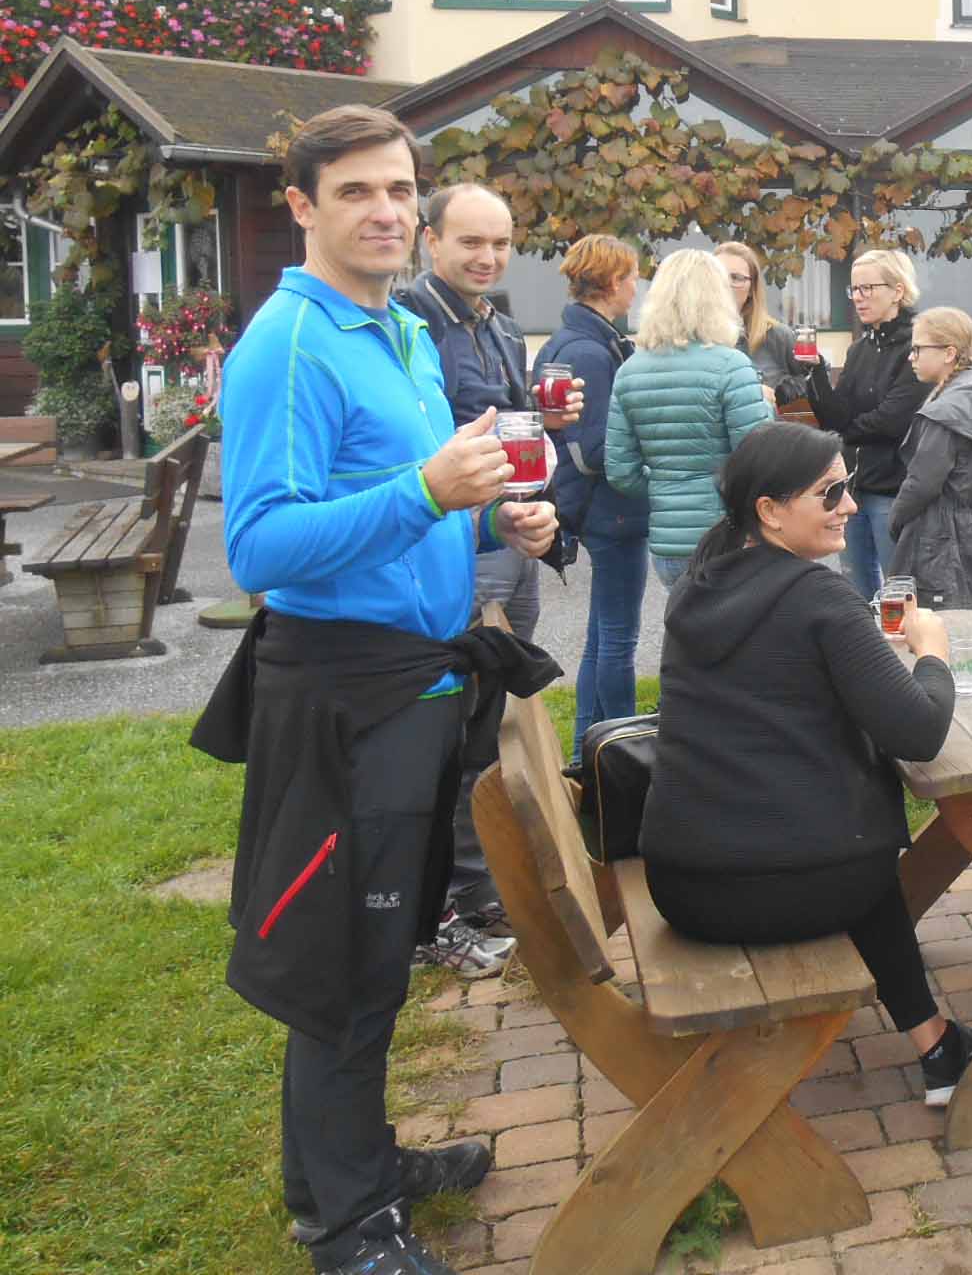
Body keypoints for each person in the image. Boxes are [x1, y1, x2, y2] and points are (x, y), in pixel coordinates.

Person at [196, 105, 561, 1275]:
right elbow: (259, 549)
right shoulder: (289, 343)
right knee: (342, 962)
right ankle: (350, 1230)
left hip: (415, 682)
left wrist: (492, 519)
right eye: (355, 190)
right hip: (343, 695)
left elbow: (410, 504)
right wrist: (426, 491)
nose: (386, 211)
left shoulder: (397, 328)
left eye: (400, 189)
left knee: (383, 944)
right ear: (301, 205)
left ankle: (350, 1168)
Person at [638, 422, 972, 1105]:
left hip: (679, 882)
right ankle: (939, 1050)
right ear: (769, 512)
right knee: (862, 857)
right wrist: (933, 650)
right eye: (829, 493)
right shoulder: (818, 596)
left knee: (853, 846)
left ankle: (938, 1047)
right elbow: (919, 731)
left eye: (847, 488)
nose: (849, 506)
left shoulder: (696, 587)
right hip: (775, 890)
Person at [397, 181, 579, 957]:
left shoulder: (499, 325)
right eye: (471, 241)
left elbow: (506, 424)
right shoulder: (409, 323)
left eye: (500, 243)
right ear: (431, 240)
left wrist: (547, 421)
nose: (488, 256)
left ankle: (479, 880)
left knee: (494, 722)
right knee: (455, 721)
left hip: (512, 533)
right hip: (453, 545)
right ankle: (448, 898)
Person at [606, 250, 771, 588]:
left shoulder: (629, 372)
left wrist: (668, 486)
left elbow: (621, 471)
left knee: (685, 620)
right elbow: (759, 461)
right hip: (729, 537)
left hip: (667, 544)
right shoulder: (731, 366)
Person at [546, 234, 648, 749]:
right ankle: (623, 748)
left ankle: (588, 749)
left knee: (601, 637)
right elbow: (592, 450)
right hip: (612, 512)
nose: (636, 288)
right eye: (632, 277)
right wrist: (653, 457)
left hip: (603, 510)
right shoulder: (587, 351)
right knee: (617, 641)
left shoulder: (587, 340)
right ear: (611, 281)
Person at [806, 248, 926, 599]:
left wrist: (845, 430)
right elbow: (834, 417)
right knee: (857, 593)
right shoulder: (859, 349)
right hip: (853, 489)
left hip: (893, 488)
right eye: (854, 289)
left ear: (898, 291)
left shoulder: (917, 346)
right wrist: (815, 375)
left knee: (899, 594)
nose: (858, 297)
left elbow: (893, 421)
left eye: (868, 288)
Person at [889, 306, 972, 609]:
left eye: (918, 349)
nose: (911, 357)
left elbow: (922, 483)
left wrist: (895, 520)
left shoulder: (944, 413)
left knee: (941, 623)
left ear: (949, 353)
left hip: (941, 540)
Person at [716, 240, 807, 403]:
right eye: (718, 276)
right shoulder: (690, 337)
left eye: (736, 278)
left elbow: (814, 376)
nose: (725, 284)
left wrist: (781, 393)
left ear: (752, 289)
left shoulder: (777, 335)